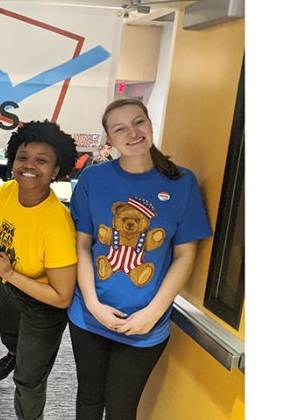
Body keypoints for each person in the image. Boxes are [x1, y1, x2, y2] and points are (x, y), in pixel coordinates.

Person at [66, 99, 212, 420]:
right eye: (120, 129)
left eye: (138, 122)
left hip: (146, 323)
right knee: (89, 400)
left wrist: (154, 312)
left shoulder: (181, 183)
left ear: (150, 123)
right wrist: (92, 304)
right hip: (90, 315)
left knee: (121, 409)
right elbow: (82, 245)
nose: (132, 133)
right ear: (109, 140)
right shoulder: (93, 179)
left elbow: (186, 254)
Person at [0, 121, 79, 420]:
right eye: (23, 157)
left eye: (41, 160)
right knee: (10, 336)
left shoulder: (57, 224)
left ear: (56, 170)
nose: (29, 166)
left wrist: (9, 273)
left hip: (43, 304)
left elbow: (61, 297)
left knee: (29, 380)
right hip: (10, 287)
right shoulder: (7, 191)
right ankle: (13, 354)